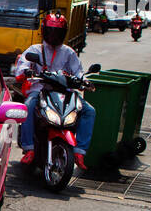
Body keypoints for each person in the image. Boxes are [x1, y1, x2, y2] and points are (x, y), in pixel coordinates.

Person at [15, 12, 97, 170]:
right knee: (28, 107)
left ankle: (80, 152)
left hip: (64, 93)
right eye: (51, 31)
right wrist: (27, 71)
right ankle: (29, 148)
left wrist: (84, 80)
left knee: (89, 111)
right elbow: (23, 65)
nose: (53, 35)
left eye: (57, 32)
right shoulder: (35, 49)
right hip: (40, 91)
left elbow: (78, 71)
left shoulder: (68, 52)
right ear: (45, 30)